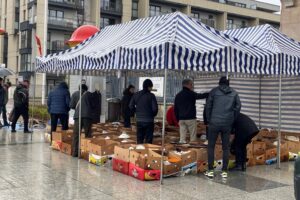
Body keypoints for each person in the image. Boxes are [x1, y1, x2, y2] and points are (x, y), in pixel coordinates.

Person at [205, 76, 241, 179]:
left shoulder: (214, 91)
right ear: (229, 83)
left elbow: (208, 106)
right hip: (227, 123)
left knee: (211, 146)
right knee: (226, 147)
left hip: (214, 122)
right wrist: (232, 118)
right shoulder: (234, 93)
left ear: (219, 82)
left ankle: (210, 170)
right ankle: (224, 171)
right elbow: (238, 107)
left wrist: (209, 119)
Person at [174, 79, 209, 144]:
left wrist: (177, 119)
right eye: (191, 84)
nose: (192, 86)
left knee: (182, 139)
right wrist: (210, 93)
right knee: (192, 139)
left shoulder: (178, 95)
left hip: (181, 119)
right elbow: (200, 96)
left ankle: (181, 152)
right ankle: (192, 151)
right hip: (191, 119)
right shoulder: (191, 94)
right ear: (188, 85)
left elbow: (175, 108)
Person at [70, 84, 95, 157]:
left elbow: (71, 105)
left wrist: (78, 108)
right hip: (87, 116)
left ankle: (75, 153)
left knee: (76, 135)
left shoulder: (75, 94)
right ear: (86, 89)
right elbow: (94, 105)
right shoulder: (90, 95)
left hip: (78, 116)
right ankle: (87, 153)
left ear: (79, 88)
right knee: (88, 134)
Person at [129, 79, 158, 144]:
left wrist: (136, 112)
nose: (151, 89)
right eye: (151, 87)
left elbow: (130, 105)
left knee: (139, 139)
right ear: (149, 87)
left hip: (139, 120)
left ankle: (140, 152)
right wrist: (152, 115)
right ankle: (147, 153)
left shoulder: (136, 94)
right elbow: (155, 108)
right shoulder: (151, 96)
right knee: (148, 140)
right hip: (149, 121)